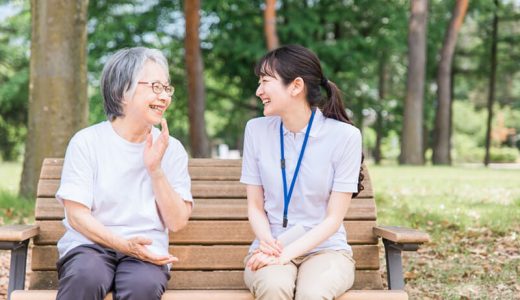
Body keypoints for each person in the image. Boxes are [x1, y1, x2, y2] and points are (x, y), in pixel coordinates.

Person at [55, 47, 193, 300]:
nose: (164, 96)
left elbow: (177, 222)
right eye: (155, 87)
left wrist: (156, 170)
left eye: (167, 88)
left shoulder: (170, 148)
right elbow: (76, 216)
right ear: (121, 91)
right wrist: (124, 245)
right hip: (89, 244)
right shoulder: (87, 142)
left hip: (148, 250)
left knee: (142, 287)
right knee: (86, 276)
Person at [240, 44, 364, 300]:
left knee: (312, 294)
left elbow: (333, 219)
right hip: (270, 246)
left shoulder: (345, 136)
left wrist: (285, 254)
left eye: (265, 81)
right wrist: (270, 245)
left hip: (327, 250)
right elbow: (255, 205)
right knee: (274, 287)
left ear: (296, 86)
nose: (258, 91)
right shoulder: (256, 130)